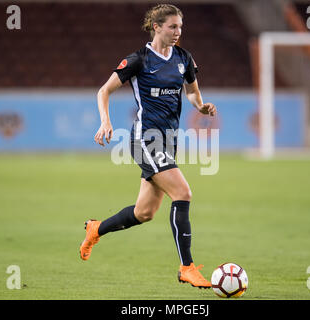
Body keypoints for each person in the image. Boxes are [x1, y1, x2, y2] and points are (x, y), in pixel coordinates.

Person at [80, 4, 217, 289]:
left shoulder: (183, 58)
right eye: (172, 27)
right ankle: (187, 268)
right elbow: (103, 91)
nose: (178, 32)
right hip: (145, 139)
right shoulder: (139, 60)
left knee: (145, 213)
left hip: (169, 141)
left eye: (180, 27)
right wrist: (105, 122)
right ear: (156, 27)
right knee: (183, 192)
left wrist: (201, 107)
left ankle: (96, 229)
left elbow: (192, 92)